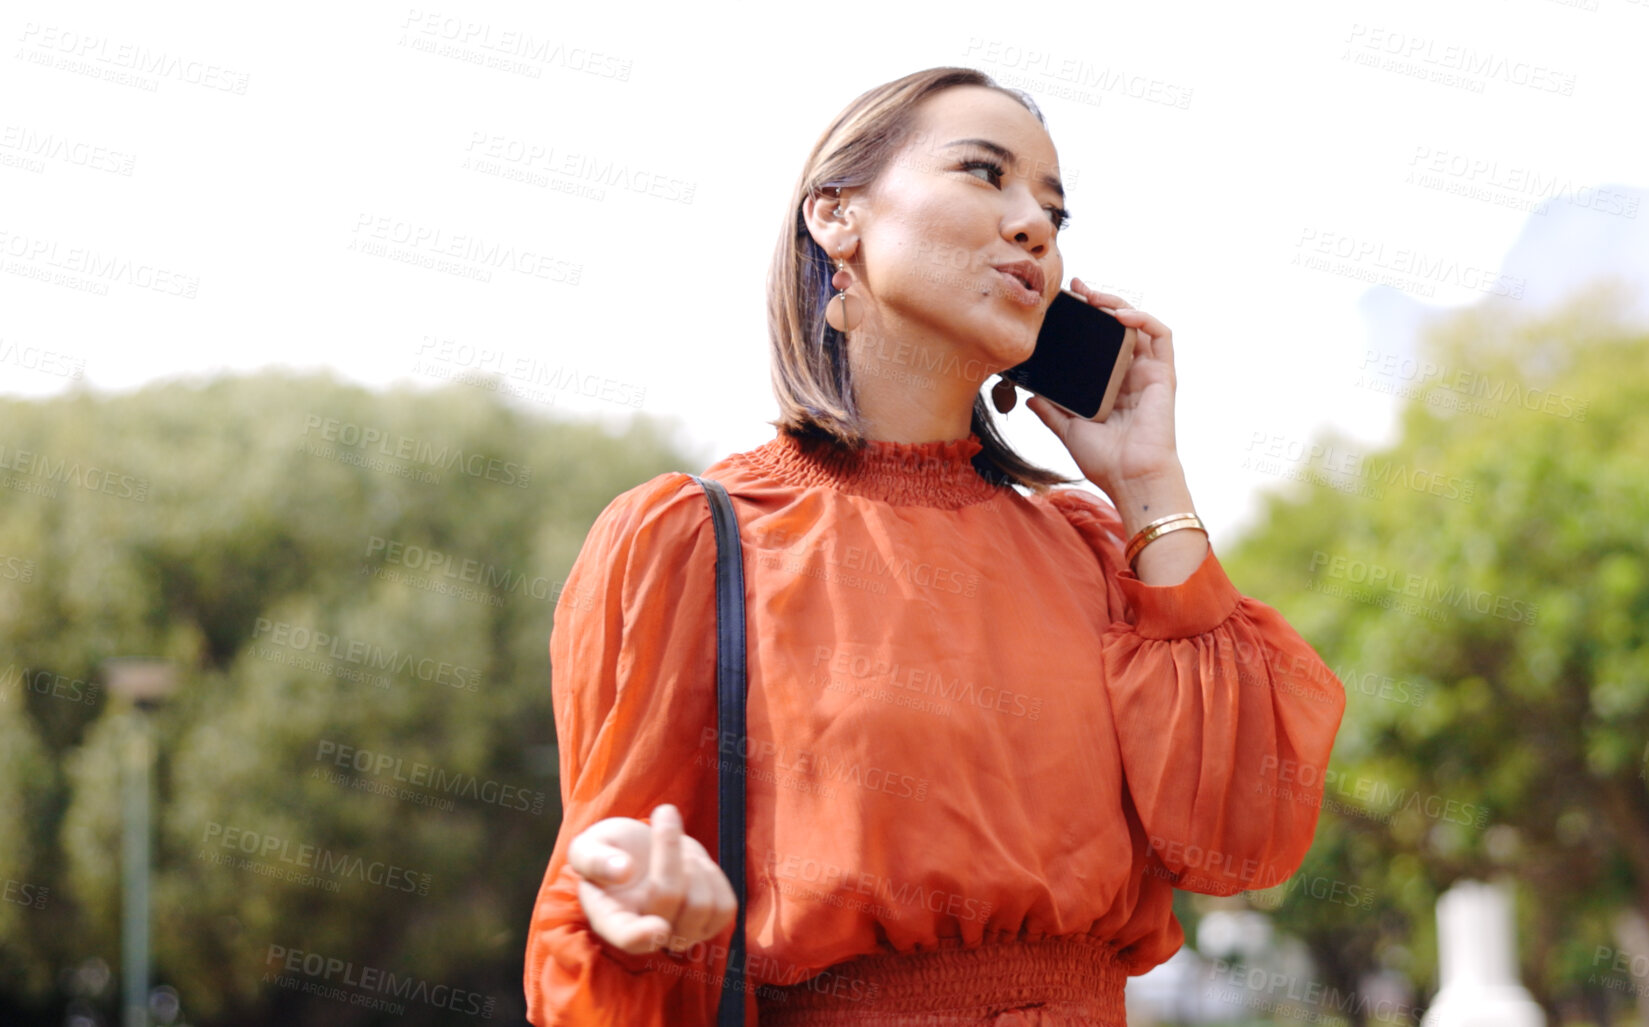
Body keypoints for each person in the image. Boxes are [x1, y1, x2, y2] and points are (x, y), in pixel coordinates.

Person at [523, 65, 1347, 1027]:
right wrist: (651, 919)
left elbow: (1237, 838)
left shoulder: (1090, 549)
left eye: (1052, 208)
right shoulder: (694, 541)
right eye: (983, 172)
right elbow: (599, 924)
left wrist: (1146, 483)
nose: (1033, 224)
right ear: (836, 215)